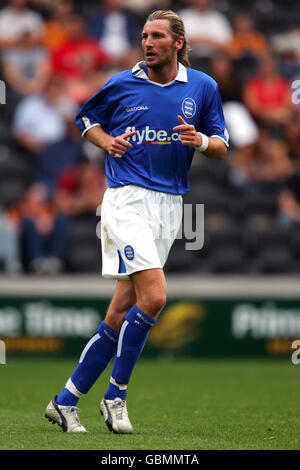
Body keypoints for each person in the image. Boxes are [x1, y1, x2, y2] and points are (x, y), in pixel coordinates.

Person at [45, 9, 228, 433]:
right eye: (144, 35)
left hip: (170, 205)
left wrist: (200, 140)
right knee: (155, 297)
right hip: (126, 200)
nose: (148, 42)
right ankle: (116, 396)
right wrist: (106, 140)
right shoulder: (122, 82)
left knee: (121, 311)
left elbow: (221, 144)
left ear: (178, 43)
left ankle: (66, 400)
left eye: (158, 36)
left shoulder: (202, 87)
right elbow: (86, 118)